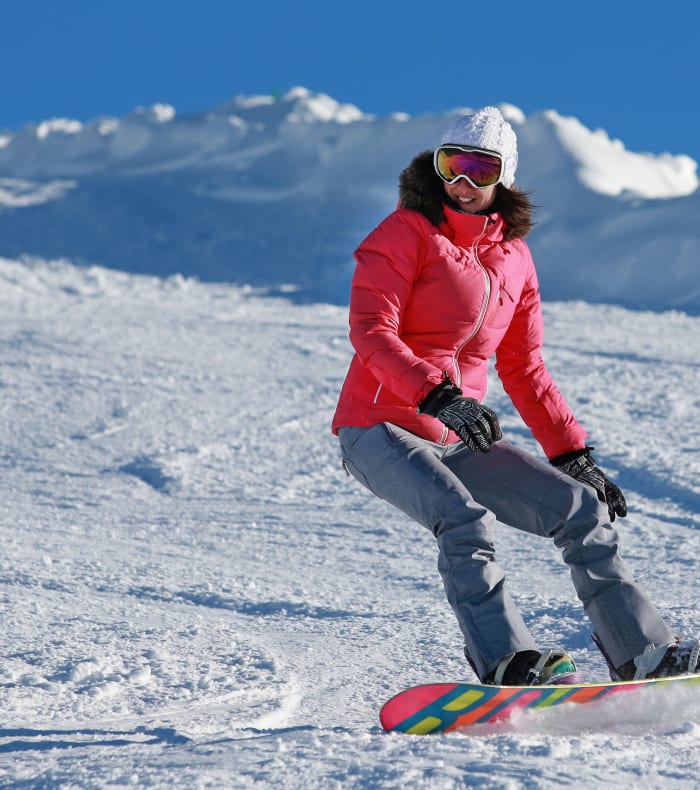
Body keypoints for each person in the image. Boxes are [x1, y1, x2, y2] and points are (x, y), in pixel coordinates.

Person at [332, 106, 698, 686]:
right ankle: (510, 663)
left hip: (456, 434)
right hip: (380, 425)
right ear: (436, 166)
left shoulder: (514, 259)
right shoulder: (404, 234)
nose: (464, 183)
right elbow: (371, 330)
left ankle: (643, 653)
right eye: (452, 165)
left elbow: (524, 367)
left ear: (503, 177)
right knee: (462, 518)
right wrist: (435, 394)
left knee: (581, 508)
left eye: (481, 169)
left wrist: (571, 456)